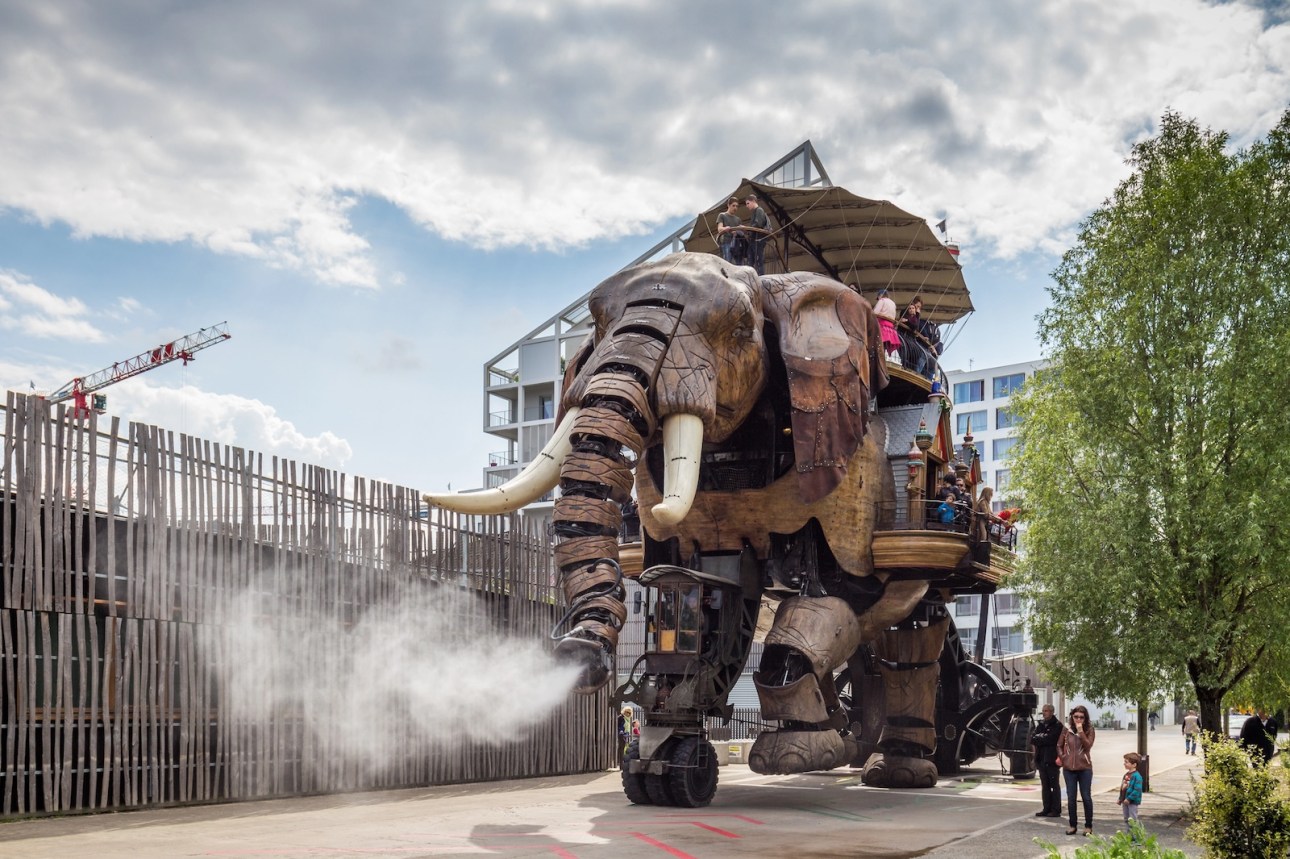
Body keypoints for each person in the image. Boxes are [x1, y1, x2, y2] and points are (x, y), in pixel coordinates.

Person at [1058, 704, 1096, 836]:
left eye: (1081, 717)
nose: (1078, 719)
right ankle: (1072, 825)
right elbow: (1059, 745)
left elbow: (1088, 746)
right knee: (1071, 798)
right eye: (1076, 717)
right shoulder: (1066, 729)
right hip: (1069, 769)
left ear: (1085, 719)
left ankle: (1088, 826)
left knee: (1086, 797)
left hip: (1084, 768)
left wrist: (1080, 731)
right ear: (1072, 717)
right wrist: (1063, 758)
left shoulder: (1090, 729)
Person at [1030, 704, 1064, 818]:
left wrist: (1041, 738)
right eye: (1043, 711)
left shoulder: (1058, 725)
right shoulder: (1041, 725)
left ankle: (1055, 809)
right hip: (1041, 759)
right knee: (1045, 785)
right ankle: (1046, 808)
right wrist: (1042, 738)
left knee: (1054, 785)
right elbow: (1033, 738)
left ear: (1052, 712)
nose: (1044, 713)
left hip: (1052, 760)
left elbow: (1052, 738)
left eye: (1047, 711)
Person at [970, 486, 1002, 564]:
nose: (991, 496)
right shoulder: (982, 501)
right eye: (990, 494)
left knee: (985, 537)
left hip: (984, 522)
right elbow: (986, 515)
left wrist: (1000, 519)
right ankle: (978, 556)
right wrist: (997, 519)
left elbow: (990, 514)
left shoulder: (986, 502)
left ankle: (980, 555)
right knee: (983, 537)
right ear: (987, 494)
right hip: (979, 522)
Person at [1118, 752, 1145, 839]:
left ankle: (1135, 836)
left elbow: (1137, 790)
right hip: (1125, 800)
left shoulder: (1137, 776)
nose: (1124, 764)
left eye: (1126, 762)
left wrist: (1129, 798)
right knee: (1126, 818)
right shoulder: (1126, 775)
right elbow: (1123, 788)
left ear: (1134, 764)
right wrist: (1120, 798)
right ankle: (1129, 835)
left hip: (1132, 801)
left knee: (1132, 819)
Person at [744, 194, 770, 274]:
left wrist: (746, 228)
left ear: (753, 201)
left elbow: (758, 224)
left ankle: (761, 276)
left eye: (748, 203)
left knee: (758, 260)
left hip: (758, 240)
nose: (747, 206)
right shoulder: (755, 212)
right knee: (751, 260)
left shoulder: (759, 210)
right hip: (754, 240)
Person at [874, 289, 902, 358]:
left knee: (877, 345)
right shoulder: (893, 303)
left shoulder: (882, 301)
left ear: (880, 295)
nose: (878, 299)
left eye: (878, 298)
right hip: (890, 329)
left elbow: (875, 313)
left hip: (882, 327)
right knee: (883, 347)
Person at [716, 197, 743, 264]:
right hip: (726, 242)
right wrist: (726, 228)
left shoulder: (738, 219)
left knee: (739, 264)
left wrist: (738, 231)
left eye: (737, 206)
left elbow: (741, 232)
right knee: (727, 263)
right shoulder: (722, 215)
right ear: (728, 205)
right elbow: (719, 228)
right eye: (733, 205)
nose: (735, 208)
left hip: (736, 243)